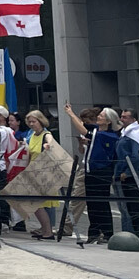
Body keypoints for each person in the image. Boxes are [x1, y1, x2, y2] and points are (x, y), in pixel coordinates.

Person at [65, 104, 120, 243]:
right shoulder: (98, 131)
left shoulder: (106, 135)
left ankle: (107, 233)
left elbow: (85, 131)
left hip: (101, 171)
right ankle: (94, 232)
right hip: (91, 170)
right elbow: (86, 128)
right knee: (92, 203)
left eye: (102, 116)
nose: (98, 117)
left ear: (108, 121)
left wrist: (71, 114)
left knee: (101, 203)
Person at [114, 108, 139, 241]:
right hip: (127, 172)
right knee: (130, 207)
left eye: (125, 117)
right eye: (121, 117)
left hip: (132, 176)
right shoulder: (127, 132)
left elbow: (136, 155)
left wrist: (128, 172)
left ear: (133, 119)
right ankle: (135, 234)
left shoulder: (134, 134)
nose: (122, 119)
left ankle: (137, 236)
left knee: (134, 207)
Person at [22, 110, 58, 239]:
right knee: (39, 203)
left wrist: (48, 145)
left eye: (34, 121)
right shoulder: (32, 136)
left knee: (36, 203)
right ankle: (45, 229)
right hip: (34, 171)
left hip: (44, 173)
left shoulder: (46, 134)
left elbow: (50, 140)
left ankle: (48, 231)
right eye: (29, 122)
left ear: (41, 121)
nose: (31, 124)